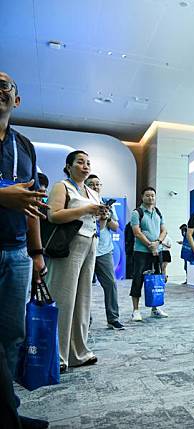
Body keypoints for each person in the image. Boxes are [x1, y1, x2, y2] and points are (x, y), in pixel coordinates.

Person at [0, 71, 50, 428]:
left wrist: (35, 252)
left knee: (12, 336)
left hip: (17, 252)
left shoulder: (25, 146)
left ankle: (9, 411)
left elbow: (31, 201)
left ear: (16, 100)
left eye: (5, 85)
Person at [47, 151, 106, 372]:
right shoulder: (62, 186)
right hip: (69, 244)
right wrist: (86, 209)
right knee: (64, 299)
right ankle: (57, 355)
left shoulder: (91, 191)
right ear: (68, 166)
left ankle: (77, 353)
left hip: (91, 243)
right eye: (80, 162)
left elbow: (95, 220)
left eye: (88, 162)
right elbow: (53, 215)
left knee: (83, 300)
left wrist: (101, 215)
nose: (85, 166)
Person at [85, 174, 124, 330]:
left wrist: (106, 217)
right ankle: (85, 320)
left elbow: (116, 227)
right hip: (86, 249)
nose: (95, 187)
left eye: (98, 184)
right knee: (84, 288)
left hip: (104, 251)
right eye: (91, 184)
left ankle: (113, 318)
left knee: (110, 284)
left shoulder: (107, 204)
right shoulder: (81, 203)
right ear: (86, 186)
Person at [129, 187, 169, 321]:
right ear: (142, 197)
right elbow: (137, 232)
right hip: (141, 252)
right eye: (147, 195)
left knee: (157, 279)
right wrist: (150, 245)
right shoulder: (137, 213)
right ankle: (136, 310)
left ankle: (155, 308)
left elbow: (164, 230)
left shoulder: (158, 212)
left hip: (158, 251)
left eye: (153, 196)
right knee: (138, 279)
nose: (150, 198)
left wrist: (157, 242)